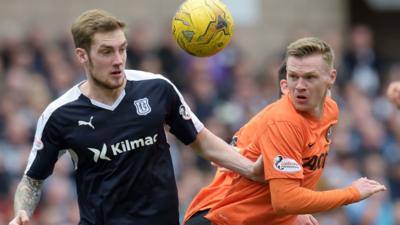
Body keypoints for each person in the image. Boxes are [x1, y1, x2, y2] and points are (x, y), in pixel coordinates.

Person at [8, 9, 263, 225]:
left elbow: (203, 141)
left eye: (122, 49)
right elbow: (31, 182)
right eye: (106, 52)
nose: (118, 60)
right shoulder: (60, 114)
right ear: (81, 56)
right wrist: (21, 211)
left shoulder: (157, 88)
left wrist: (251, 168)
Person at [184, 37, 386, 225]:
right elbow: (285, 201)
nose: (299, 86)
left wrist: (295, 210)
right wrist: (352, 193)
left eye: (310, 77)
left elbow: (291, 183)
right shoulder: (284, 121)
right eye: (293, 77)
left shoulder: (330, 110)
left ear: (330, 78)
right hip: (221, 219)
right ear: (284, 82)